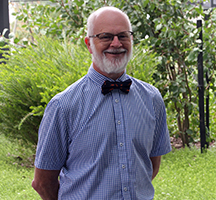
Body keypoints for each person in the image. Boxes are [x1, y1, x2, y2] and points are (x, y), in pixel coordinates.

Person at [31, 6, 172, 200]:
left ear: (131, 40)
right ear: (89, 44)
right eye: (106, 36)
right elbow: (42, 183)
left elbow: (150, 167)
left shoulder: (152, 98)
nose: (116, 43)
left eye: (123, 36)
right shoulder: (63, 106)